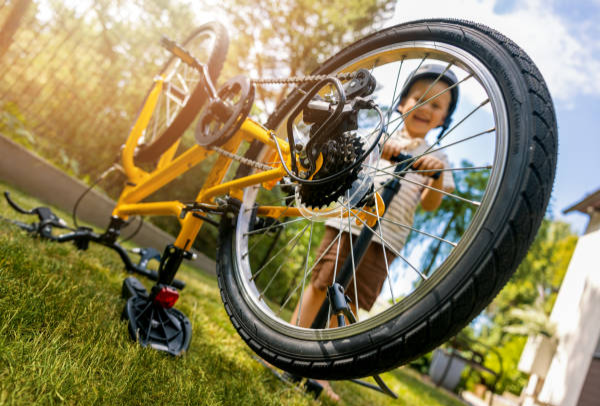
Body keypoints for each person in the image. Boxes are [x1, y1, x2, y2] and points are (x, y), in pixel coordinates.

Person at [290, 64, 459, 402]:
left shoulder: (438, 156)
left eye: (437, 105)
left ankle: (320, 372)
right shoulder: (383, 135)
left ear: (443, 120)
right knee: (323, 282)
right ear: (402, 103)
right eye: (420, 98)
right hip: (350, 223)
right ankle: (287, 345)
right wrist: (382, 150)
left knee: (348, 303)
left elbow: (430, 205)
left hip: (387, 240)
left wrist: (436, 176)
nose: (426, 108)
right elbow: (352, 159)